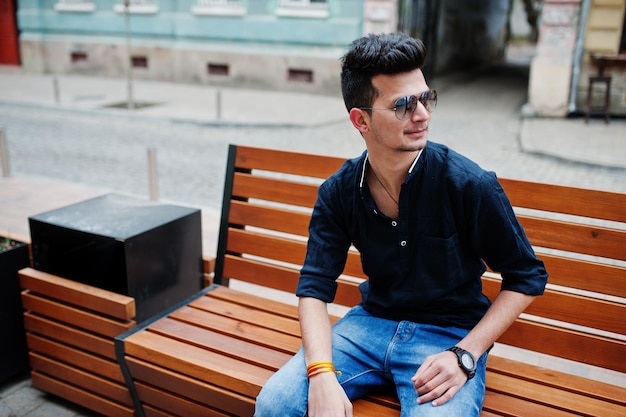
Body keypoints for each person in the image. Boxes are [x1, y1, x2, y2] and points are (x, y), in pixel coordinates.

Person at [254, 32, 548, 417]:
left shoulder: (468, 184)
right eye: (403, 105)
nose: (422, 115)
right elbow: (314, 287)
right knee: (275, 405)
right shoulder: (339, 191)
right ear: (360, 120)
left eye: (425, 98)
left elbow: (526, 276)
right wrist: (321, 372)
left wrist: (465, 355)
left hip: (447, 338)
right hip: (367, 326)